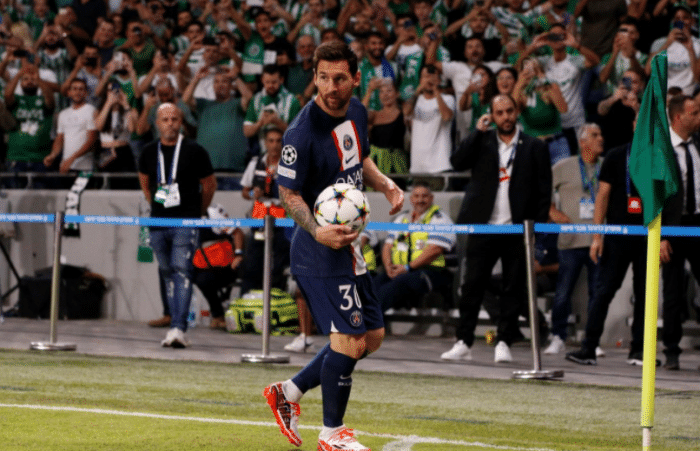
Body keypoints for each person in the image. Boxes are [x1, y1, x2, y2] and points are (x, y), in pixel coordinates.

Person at [263, 40, 404, 451]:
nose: (330, 87)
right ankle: (332, 433)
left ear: (355, 79)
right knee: (348, 340)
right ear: (314, 77)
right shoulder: (300, 132)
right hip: (317, 250)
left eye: (339, 78)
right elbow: (288, 194)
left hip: (349, 247)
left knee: (371, 337)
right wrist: (316, 230)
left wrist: (386, 184)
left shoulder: (357, 111)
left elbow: (360, 159)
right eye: (323, 77)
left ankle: (288, 392)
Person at [441, 94, 551, 363]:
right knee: (472, 286)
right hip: (483, 226)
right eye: (499, 113)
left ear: (517, 111)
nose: (505, 117)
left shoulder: (534, 146)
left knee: (513, 288)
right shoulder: (483, 140)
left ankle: (504, 341)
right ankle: (463, 341)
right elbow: (457, 162)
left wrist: (534, 230)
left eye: (509, 111)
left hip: (516, 230)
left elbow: (543, 192)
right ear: (491, 115)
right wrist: (476, 132)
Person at [564, 131, 648, 366]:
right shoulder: (616, 155)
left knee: (645, 294)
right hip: (616, 236)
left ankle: (639, 351)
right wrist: (597, 236)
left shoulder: (659, 157)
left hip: (647, 235)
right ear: (634, 125)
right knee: (603, 291)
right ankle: (589, 348)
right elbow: (602, 195)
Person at [137, 103, 216, 348]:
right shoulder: (148, 151)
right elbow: (145, 184)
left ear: (181, 123)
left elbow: (209, 185)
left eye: (174, 119)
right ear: (157, 123)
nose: (170, 123)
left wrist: (197, 213)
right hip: (158, 221)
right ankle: (174, 322)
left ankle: (178, 328)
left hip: (186, 221)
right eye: (165, 119)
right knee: (166, 272)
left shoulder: (195, 150)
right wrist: (157, 206)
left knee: (182, 271)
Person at [544, 124, 603, 355]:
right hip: (570, 240)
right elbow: (542, 190)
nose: (601, 138)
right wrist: (552, 212)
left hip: (599, 240)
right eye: (595, 135)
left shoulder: (606, 165)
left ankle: (592, 341)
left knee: (597, 294)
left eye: (600, 134)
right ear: (583, 142)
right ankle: (558, 336)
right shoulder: (564, 166)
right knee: (563, 292)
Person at [658, 95, 700, 370]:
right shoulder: (662, 150)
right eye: (694, 113)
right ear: (677, 117)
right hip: (672, 227)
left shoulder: (698, 145)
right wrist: (660, 235)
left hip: (698, 223)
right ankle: (671, 351)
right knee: (672, 291)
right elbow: (654, 195)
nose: (698, 118)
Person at [374, 182, 456, 312]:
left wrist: (407, 268)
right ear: (411, 199)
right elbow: (387, 246)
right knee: (373, 284)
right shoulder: (402, 219)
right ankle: (366, 319)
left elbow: (434, 250)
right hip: (402, 270)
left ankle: (368, 320)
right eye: (416, 196)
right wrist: (388, 267)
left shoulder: (440, 220)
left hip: (432, 272)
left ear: (431, 198)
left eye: (424, 196)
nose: (420, 200)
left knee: (398, 284)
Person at [239, 127, 290, 296]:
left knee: (278, 265)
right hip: (259, 219)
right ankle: (248, 299)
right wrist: (253, 194)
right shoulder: (256, 163)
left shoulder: (290, 164)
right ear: (265, 143)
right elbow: (245, 192)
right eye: (271, 141)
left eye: (278, 141)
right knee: (253, 263)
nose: (274, 145)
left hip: (282, 221)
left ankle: (275, 301)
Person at [193, 203, 245, 330]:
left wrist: (238, 254)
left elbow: (237, 233)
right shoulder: (185, 215)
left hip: (225, 266)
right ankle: (171, 316)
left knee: (203, 279)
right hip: (202, 266)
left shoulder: (213, 212)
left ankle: (218, 315)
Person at [4, 65, 55, 187]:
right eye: (25, 79)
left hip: (41, 159)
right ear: (20, 83)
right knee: (15, 195)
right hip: (16, 158)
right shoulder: (16, 100)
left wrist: (39, 80)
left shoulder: (43, 100)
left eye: (32, 79)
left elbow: (51, 99)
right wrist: (18, 75)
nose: (29, 81)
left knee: (41, 196)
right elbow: (7, 95)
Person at [404, 65, 454, 174]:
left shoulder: (448, 99)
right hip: (417, 166)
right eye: (425, 76)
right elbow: (406, 112)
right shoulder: (415, 100)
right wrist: (418, 90)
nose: (429, 79)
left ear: (439, 80)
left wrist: (436, 90)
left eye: (432, 76)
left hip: (439, 165)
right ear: (420, 80)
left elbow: (446, 116)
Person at [43, 78, 98, 173]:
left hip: (85, 168)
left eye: (81, 89)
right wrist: (53, 155)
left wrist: (71, 159)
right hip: (66, 167)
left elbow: (91, 140)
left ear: (86, 93)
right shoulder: (63, 114)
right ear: (69, 93)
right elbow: (59, 138)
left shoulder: (91, 110)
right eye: (74, 89)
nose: (78, 92)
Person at [647, 4, 700, 95]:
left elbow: (698, 79)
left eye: (685, 18)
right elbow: (648, 70)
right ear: (673, 22)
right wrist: (667, 43)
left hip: (688, 96)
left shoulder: (698, 44)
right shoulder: (660, 43)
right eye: (677, 19)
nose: (681, 21)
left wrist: (690, 49)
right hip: (664, 95)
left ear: (692, 21)